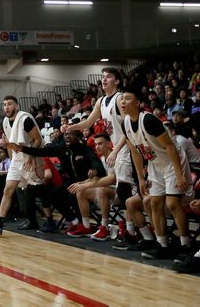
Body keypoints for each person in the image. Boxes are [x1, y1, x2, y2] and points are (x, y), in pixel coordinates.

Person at [120, 87, 193, 260]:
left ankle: (186, 245)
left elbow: (170, 147)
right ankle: (163, 245)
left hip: (172, 162)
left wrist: (179, 174)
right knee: (153, 203)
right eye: (122, 99)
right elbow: (135, 152)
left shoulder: (149, 120)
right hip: (154, 164)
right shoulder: (126, 124)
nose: (123, 102)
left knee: (174, 204)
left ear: (138, 103)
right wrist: (140, 179)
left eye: (127, 98)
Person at [68, 67, 138, 241]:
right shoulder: (100, 101)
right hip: (116, 148)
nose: (104, 79)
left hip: (127, 148)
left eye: (108, 77)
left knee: (125, 190)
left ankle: (130, 230)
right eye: (103, 77)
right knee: (123, 191)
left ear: (117, 81)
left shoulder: (120, 99)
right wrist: (72, 127)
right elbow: (88, 122)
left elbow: (127, 129)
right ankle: (126, 229)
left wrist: (115, 150)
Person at [0, 95, 44, 236]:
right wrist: (11, 162)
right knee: (8, 189)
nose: (6, 107)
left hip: (32, 158)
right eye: (4, 105)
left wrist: (29, 157)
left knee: (36, 190)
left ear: (16, 106)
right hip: (17, 159)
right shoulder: (4, 122)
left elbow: (37, 140)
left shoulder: (25, 119)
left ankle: (48, 219)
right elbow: (10, 144)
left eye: (9, 104)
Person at [67, 133, 117, 241]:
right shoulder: (103, 159)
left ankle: (105, 227)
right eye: (95, 144)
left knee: (102, 190)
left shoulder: (114, 156)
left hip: (121, 191)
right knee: (81, 191)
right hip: (110, 190)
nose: (97, 147)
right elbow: (98, 179)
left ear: (109, 144)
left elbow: (111, 179)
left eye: (100, 143)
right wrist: (82, 184)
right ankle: (86, 226)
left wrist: (88, 184)